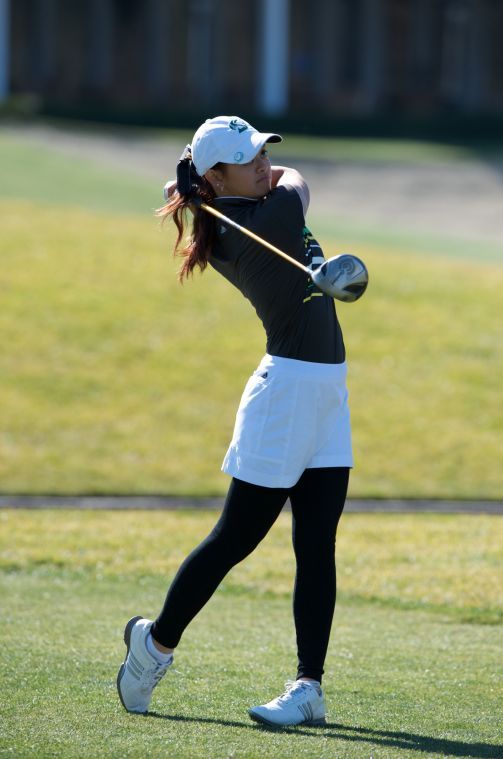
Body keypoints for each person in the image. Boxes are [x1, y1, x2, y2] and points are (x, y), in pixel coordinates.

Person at [116, 115, 353, 727]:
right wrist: (198, 184)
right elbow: (299, 180)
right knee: (236, 539)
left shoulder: (240, 210)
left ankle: (308, 687)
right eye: (246, 160)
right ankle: (155, 644)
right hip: (286, 396)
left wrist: (195, 184)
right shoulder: (266, 218)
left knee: (316, 543)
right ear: (217, 180)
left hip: (326, 390)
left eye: (261, 152)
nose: (264, 164)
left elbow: (281, 173)